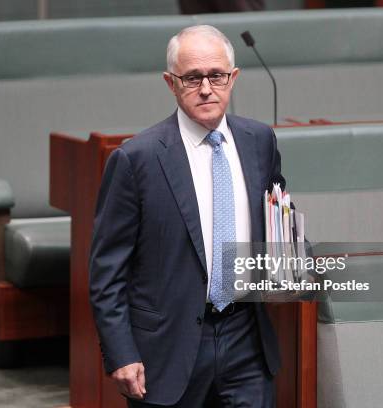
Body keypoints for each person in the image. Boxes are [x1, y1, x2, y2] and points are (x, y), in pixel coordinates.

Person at [89, 25, 285, 407]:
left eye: (217, 76)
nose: (207, 88)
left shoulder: (259, 141)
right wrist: (121, 351)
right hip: (168, 347)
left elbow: (278, 223)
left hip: (246, 336)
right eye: (192, 78)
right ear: (171, 83)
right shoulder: (137, 158)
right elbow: (107, 270)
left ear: (234, 78)